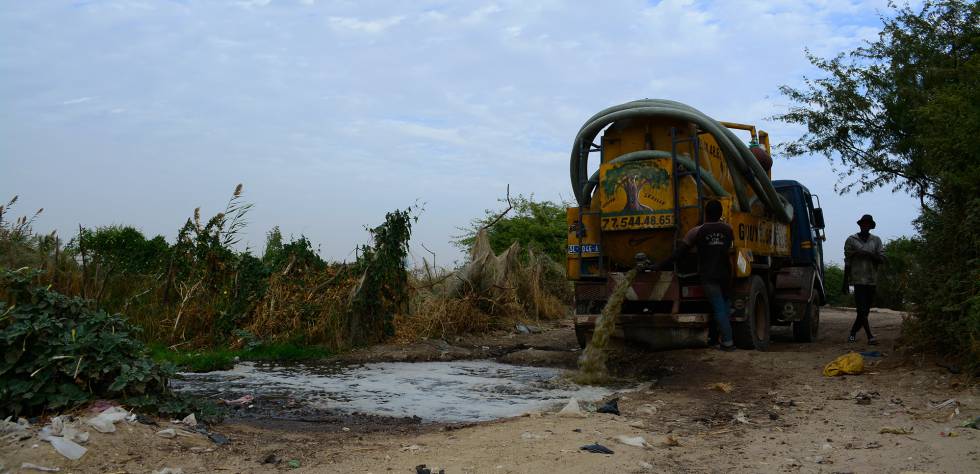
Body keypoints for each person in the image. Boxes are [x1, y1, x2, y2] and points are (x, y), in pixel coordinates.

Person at [656, 200, 736, 351]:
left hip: (709, 275)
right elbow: (730, 252)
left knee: (718, 309)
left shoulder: (697, 231)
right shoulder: (728, 229)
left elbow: (679, 253)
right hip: (725, 274)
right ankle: (718, 339)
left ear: (705, 214)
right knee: (724, 308)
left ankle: (728, 342)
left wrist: (659, 265)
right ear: (720, 213)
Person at [843, 214, 885, 345]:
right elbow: (847, 261)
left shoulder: (876, 240)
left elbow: (882, 259)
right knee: (861, 309)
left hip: (871, 279)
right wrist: (845, 281)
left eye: (868, 224)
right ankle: (870, 337)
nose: (865, 225)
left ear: (870, 226)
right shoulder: (851, 239)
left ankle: (852, 333)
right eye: (863, 223)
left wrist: (868, 254)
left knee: (864, 311)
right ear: (860, 225)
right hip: (857, 279)